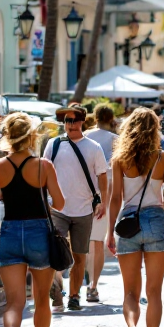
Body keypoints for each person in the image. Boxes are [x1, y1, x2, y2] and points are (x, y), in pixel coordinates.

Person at [0, 112, 64, 327]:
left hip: (10, 233)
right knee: (41, 299)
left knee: (15, 302)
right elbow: (60, 203)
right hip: (40, 231)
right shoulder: (43, 166)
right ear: (31, 136)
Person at [106, 108, 164, 327]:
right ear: (155, 129)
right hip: (156, 220)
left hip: (128, 224)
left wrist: (109, 232)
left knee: (131, 292)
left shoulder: (120, 159)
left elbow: (115, 199)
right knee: (154, 292)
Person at [44, 104, 108, 312]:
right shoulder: (53, 145)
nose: (70, 125)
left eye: (74, 120)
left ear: (83, 121)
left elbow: (102, 176)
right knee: (55, 254)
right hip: (58, 210)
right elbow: (44, 174)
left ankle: (74, 296)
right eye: (67, 121)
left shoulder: (93, 147)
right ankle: (57, 291)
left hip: (83, 210)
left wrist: (102, 201)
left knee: (80, 256)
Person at [85, 105, 118, 302]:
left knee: (83, 242)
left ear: (95, 117)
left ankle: (76, 282)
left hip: (82, 192)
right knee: (97, 243)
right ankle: (93, 286)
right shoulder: (116, 140)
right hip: (105, 194)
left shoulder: (85, 136)